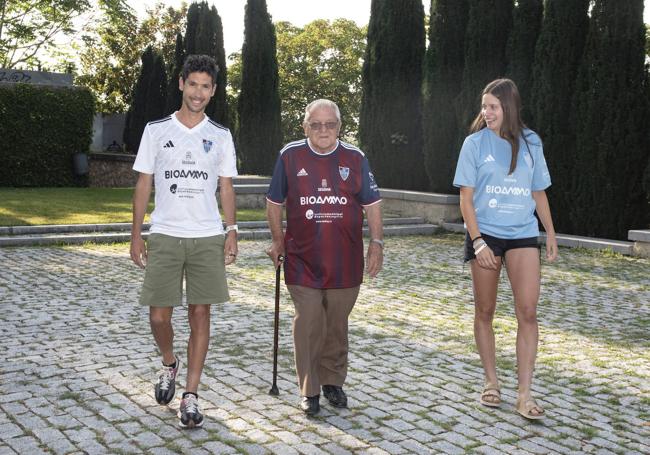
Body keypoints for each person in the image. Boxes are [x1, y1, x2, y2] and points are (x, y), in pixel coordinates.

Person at [129, 54, 239, 428]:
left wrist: (231, 230)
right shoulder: (156, 130)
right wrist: (136, 233)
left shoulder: (220, 135)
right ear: (181, 84)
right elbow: (144, 182)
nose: (198, 92)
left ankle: (191, 395)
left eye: (205, 86)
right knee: (159, 315)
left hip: (207, 236)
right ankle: (168, 362)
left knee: (200, 312)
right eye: (192, 84)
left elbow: (226, 187)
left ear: (213, 91)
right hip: (165, 234)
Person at [266, 99, 384, 416]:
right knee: (308, 321)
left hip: (345, 260)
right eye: (315, 124)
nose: (323, 130)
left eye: (329, 124)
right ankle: (310, 389)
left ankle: (333, 380)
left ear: (339, 127)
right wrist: (278, 240)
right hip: (301, 258)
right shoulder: (289, 155)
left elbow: (372, 203)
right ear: (305, 126)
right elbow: (274, 201)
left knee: (336, 323)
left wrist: (376, 242)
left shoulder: (355, 157)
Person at [453, 78, 558, 420]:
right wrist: (479, 241)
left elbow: (538, 191)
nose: (487, 112)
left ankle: (525, 394)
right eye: (484, 106)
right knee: (485, 311)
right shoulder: (474, 144)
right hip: (486, 235)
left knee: (527, 312)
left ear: (508, 108)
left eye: (493, 107)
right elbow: (465, 199)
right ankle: (491, 381)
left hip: (523, 235)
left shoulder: (531, 143)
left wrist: (551, 234)